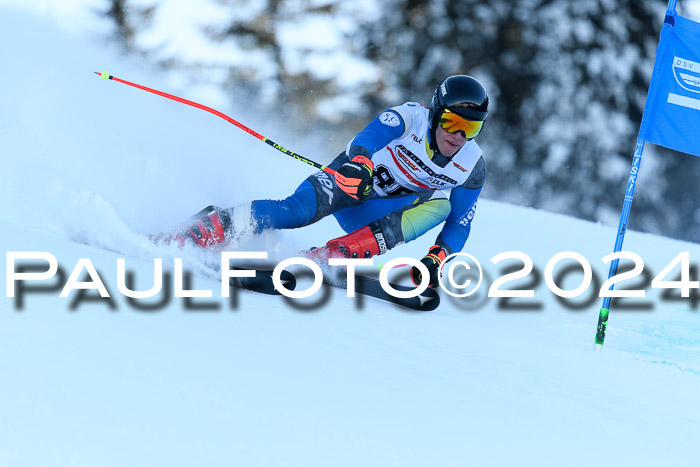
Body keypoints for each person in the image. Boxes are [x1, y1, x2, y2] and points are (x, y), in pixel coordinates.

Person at [170, 74, 489, 288]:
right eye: (451, 122)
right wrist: (362, 164)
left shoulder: (470, 166)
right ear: (435, 112)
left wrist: (438, 258)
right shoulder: (410, 117)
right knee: (297, 211)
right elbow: (370, 136)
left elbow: (461, 223)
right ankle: (212, 226)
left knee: (441, 207)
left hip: (374, 218)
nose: (458, 136)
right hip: (350, 184)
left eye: (470, 128)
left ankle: (333, 255)